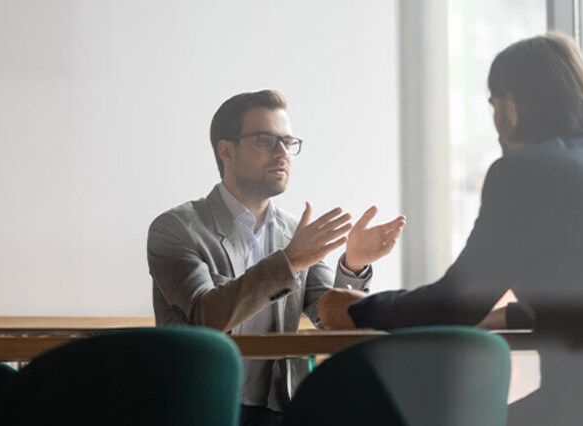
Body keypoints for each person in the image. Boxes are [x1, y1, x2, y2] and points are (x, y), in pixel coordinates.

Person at [317, 33, 583, 425]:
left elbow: (456, 302)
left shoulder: (524, 172)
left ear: (512, 106)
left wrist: (359, 310)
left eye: (493, 105)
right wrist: (509, 316)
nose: (495, 122)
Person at [147, 89, 405, 426]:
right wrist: (290, 261)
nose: (283, 152)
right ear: (226, 150)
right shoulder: (176, 227)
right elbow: (205, 316)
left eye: (288, 142)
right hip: (199, 406)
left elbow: (329, 317)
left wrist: (352, 264)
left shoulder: (294, 232)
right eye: (266, 140)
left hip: (280, 409)